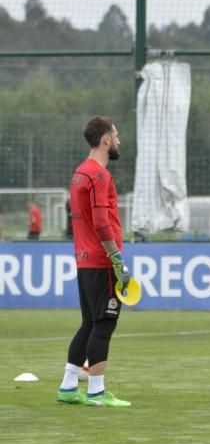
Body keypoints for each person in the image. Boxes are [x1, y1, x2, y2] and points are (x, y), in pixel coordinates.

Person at [57, 116, 132, 407]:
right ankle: (97, 392)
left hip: (84, 259)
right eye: (116, 135)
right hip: (102, 262)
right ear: (105, 140)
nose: (118, 141)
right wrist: (116, 258)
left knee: (89, 322)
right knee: (104, 324)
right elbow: (101, 223)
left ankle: (67, 387)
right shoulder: (100, 176)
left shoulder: (79, 173)